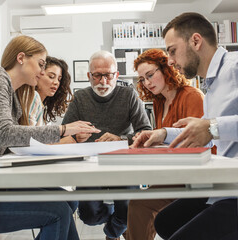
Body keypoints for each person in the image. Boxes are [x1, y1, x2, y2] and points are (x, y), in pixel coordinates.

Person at [132, 12, 238, 240]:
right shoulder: (213, 86)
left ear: (196, 41)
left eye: (173, 50)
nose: (170, 60)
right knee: (165, 222)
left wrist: (213, 127)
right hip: (233, 188)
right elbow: (209, 129)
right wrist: (164, 133)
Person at [0, 35, 100, 240]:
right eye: (41, 64)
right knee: (59, 213)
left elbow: (9, 139)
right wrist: (62, 130)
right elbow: (5, 133)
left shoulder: (11, 93)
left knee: (68, 201)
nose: (43, 72)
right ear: (21, 58)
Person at [62, 50, 152, 240]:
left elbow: (145, 130)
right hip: (89, 165)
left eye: (108, 75)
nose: (103, 81)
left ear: (116, 75)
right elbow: (65, 131)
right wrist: (76, 135)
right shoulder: (80, 98)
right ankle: (111, 214)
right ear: (89, 76)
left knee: (129, 210)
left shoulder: (129, 95)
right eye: (97, 75)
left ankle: (112, 233)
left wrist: (121, 139)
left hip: (123, 163)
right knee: (89, 215)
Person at [125, 48, 205, 240]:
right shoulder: (159, 101)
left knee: (139, 205)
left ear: (167, 69)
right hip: (173, 172)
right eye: (143, 79)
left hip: (193, 177)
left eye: (150, 75)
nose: (147, 82)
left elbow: (198, 144)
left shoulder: (191, 96)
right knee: (137, 206)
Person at [28, 56, 76, 144]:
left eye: (59, 79)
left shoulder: (44, 108)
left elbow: (44, 139)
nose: (56, 82)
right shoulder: (33, 98)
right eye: (51, 76)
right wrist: (62, 142)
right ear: (38, 75)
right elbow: (28, 139)